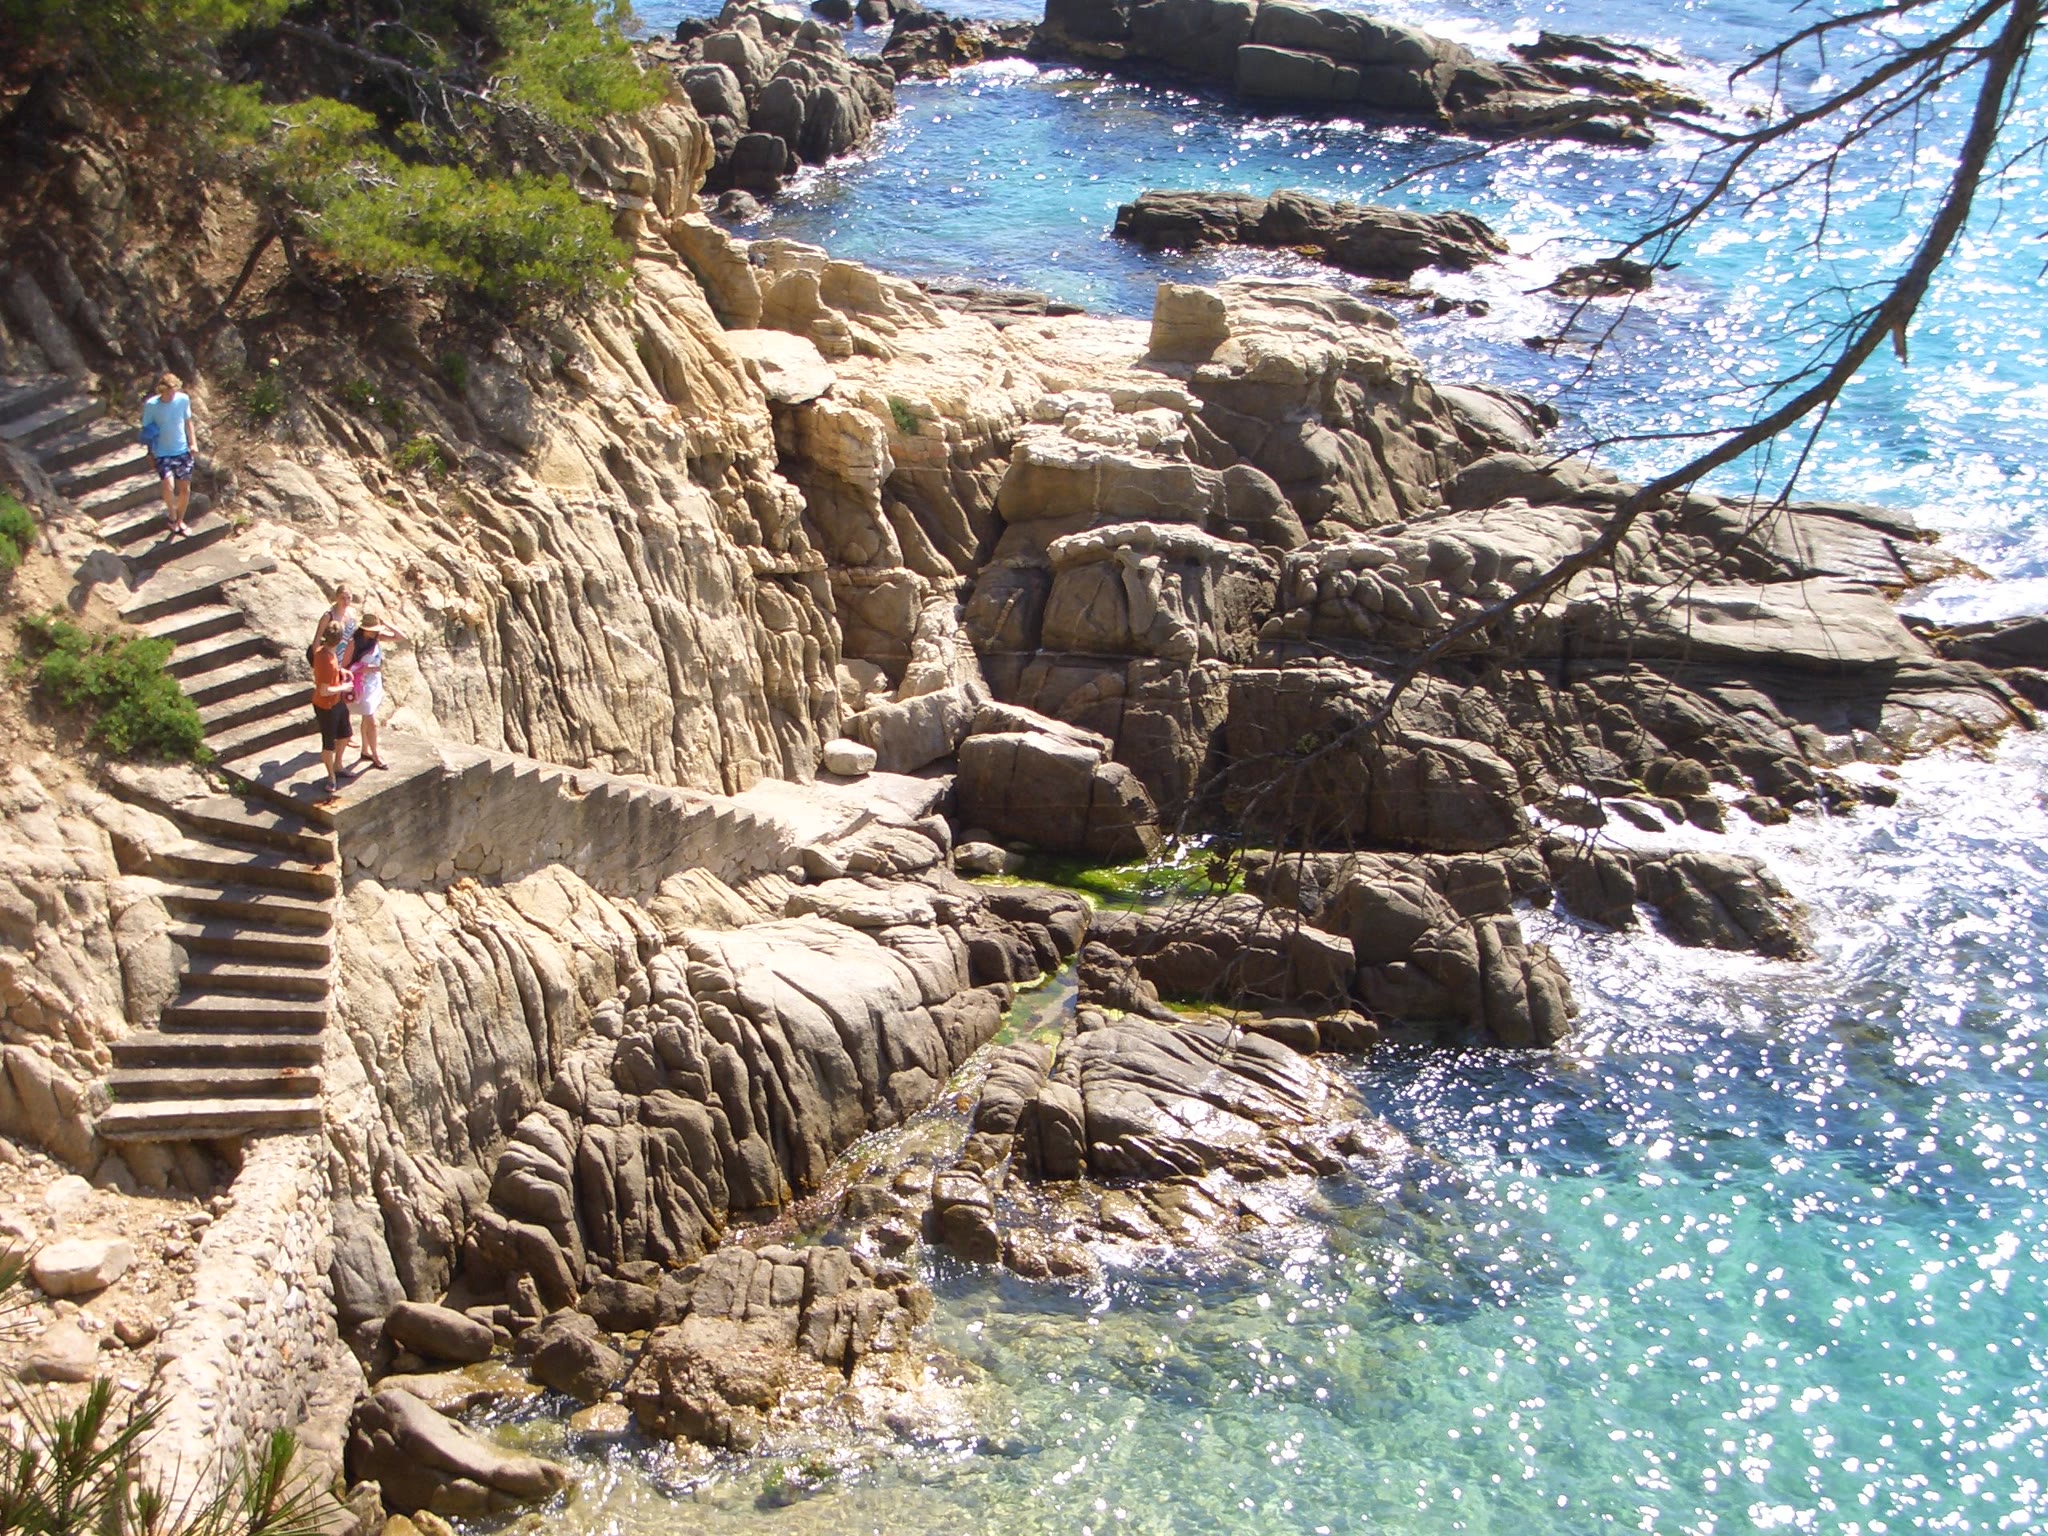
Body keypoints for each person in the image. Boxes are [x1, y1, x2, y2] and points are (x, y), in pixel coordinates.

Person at [138, 373, 198, 537]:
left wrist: (193, 443)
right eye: (169, 392)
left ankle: (180, 520)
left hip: (182, 450)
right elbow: (147, 430)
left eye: (174, 391)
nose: (172, 395)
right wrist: (150, 453)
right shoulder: (152, 405)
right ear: (161, 390)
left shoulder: (183, 400)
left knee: (185, 489)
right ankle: (172, 515)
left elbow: (188, 422)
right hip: (162, 452)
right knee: (168, 486)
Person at [345, 612, 405, 770]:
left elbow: (400, 637)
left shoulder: (376, 638)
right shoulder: (354, 642)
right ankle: (375, 753)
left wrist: (386, 623)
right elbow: (345, 666)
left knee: (367, 717)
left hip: (373, 682)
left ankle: (366, 750)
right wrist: (363, 669)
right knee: (370, 717)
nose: (374, 632)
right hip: (360, 683)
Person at [310, 616, 354, 799]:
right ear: (340, 639)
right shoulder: (326, 660)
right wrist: (344, 687)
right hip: (326, 705)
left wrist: (341, 671)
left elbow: (328, 673)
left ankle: (338, 765)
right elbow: (324, 690)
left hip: (336, 702)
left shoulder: (325, 651)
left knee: (346, 734)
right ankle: (331, 776)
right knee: (329, 744)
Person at [315, 582, 357, 665]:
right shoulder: (328, 616)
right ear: (337, 598)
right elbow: (317, 639)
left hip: (348, 658)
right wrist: (318, 662)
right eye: (342, 598)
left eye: (349, 598)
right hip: (331, 658)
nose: (346, 601)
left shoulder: (353, 613)